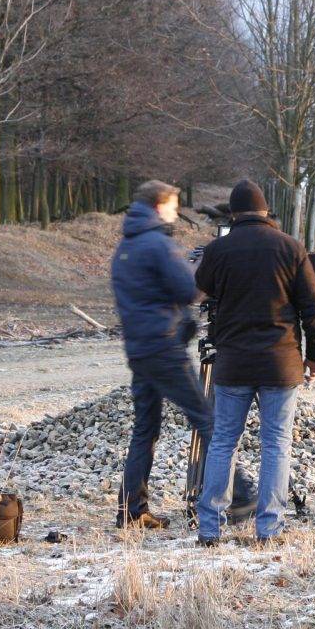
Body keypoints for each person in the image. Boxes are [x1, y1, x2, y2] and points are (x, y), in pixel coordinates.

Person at [109, 180, 254, 530]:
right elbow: (187, 288)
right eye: (173, 206)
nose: (176, 213)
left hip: (140, 348)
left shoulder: (125, 246)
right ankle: (241, 494)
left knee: (146, 427)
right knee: (206, 418)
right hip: (163, 347)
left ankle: (132, 509)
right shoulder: (157, 243)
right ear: (160, 206)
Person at [192, 179, 315, 546]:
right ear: (266, 212)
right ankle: (269, 529)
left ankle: (209, 529)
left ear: (233, 214)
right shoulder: (291, 247)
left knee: (222, 443)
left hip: (233, 362)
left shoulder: (219, 250)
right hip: (280, 363)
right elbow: (314, 310)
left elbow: (197, 292)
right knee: (276, 444)